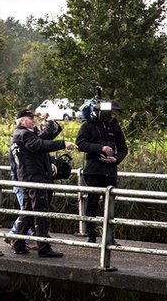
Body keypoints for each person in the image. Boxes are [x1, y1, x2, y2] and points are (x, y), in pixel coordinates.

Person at [9, 108, 75, 257]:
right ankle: (43, 247)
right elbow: (40, 145)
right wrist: (63, 144)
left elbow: (45, 137)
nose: (33, 120)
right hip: (34, 178)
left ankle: (17, 243)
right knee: (40, 212)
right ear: (22, 120)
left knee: (27, 212)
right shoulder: (24, 134)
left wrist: (50, 123)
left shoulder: (20, 134)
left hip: (27, 178)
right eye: (30, 118)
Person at [76, 100, 128, 243]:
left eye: (114, 114)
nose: (113, 116)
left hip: (110, 171)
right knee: (92, 202)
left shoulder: (115, 127)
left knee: (109, 204)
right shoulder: (88, 125)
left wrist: (116, 159)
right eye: (111, 113)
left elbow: (123, 148)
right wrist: (101, 148)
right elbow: (80, 144)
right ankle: (91, 235)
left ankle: (109, 236)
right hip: (93, 170)